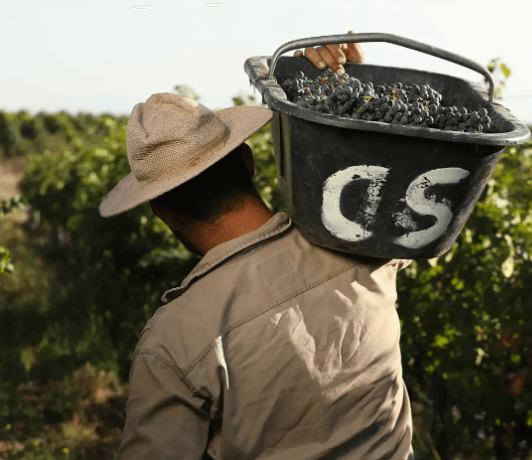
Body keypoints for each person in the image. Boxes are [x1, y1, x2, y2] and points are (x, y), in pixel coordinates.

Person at [98, 32, 414, 460]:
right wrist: (350, 86)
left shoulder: (174, 340)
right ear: (247, 160)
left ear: (159, 212)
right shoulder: (361, 245)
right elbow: (391, 177)